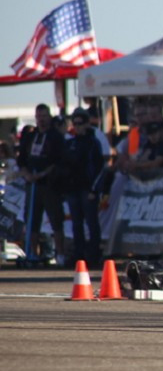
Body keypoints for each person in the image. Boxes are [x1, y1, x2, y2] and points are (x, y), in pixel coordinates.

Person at [16, 105, 66, 264]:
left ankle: (60, 254)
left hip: (50, 185)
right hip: (32, 185)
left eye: (44, 116)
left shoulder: (56, 137)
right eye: (39, 117)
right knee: (32, 219)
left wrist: (42, 174)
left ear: (49, 117)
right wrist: (27, 175)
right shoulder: (31, 137)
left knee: (56, 220)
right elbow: (22, 159)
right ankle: (32, 253)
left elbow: (59, 160)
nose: (41, 120)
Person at [61, 108, 105, 267]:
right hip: (73, 189)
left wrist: (94, 190)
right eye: (75, 123)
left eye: (80, 123)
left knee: (92, 222)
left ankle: (94, 254)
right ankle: (79, 255)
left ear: (87, 124)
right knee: (76, 224)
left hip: (88, 189)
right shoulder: (70, 143)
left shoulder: (93, 142)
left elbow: (100, 168)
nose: (78, 127)